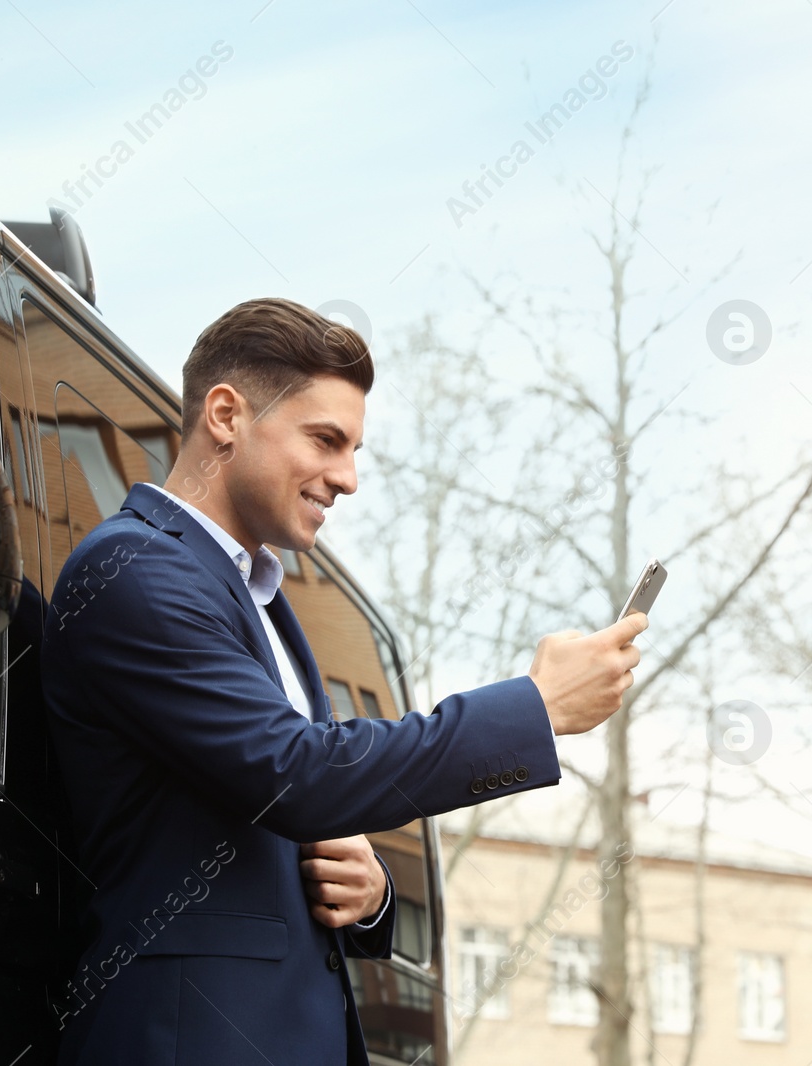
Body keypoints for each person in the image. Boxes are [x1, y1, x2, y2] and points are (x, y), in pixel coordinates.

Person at [41, 297, 646, 1065]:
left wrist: (371, 895)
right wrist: (535, 708)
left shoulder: (262, 601)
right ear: (226, 416)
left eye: (354, 449)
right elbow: (298, 774)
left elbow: (289, 804)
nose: (349, 478)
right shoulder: (135, 570)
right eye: (326, 440)